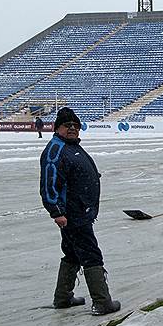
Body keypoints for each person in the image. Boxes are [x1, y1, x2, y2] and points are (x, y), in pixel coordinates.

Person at [39, 107, 121, 315]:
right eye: (67, 126)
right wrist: (56, 211)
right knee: (91, 254)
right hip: (73, 214)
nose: (73, 129)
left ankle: (63, 297)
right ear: (57, 128)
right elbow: (49, 185)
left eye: (75, 125)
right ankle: (102, 301)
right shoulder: (55, 150)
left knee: (72, 253)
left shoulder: (70, 146)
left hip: (80, 211)